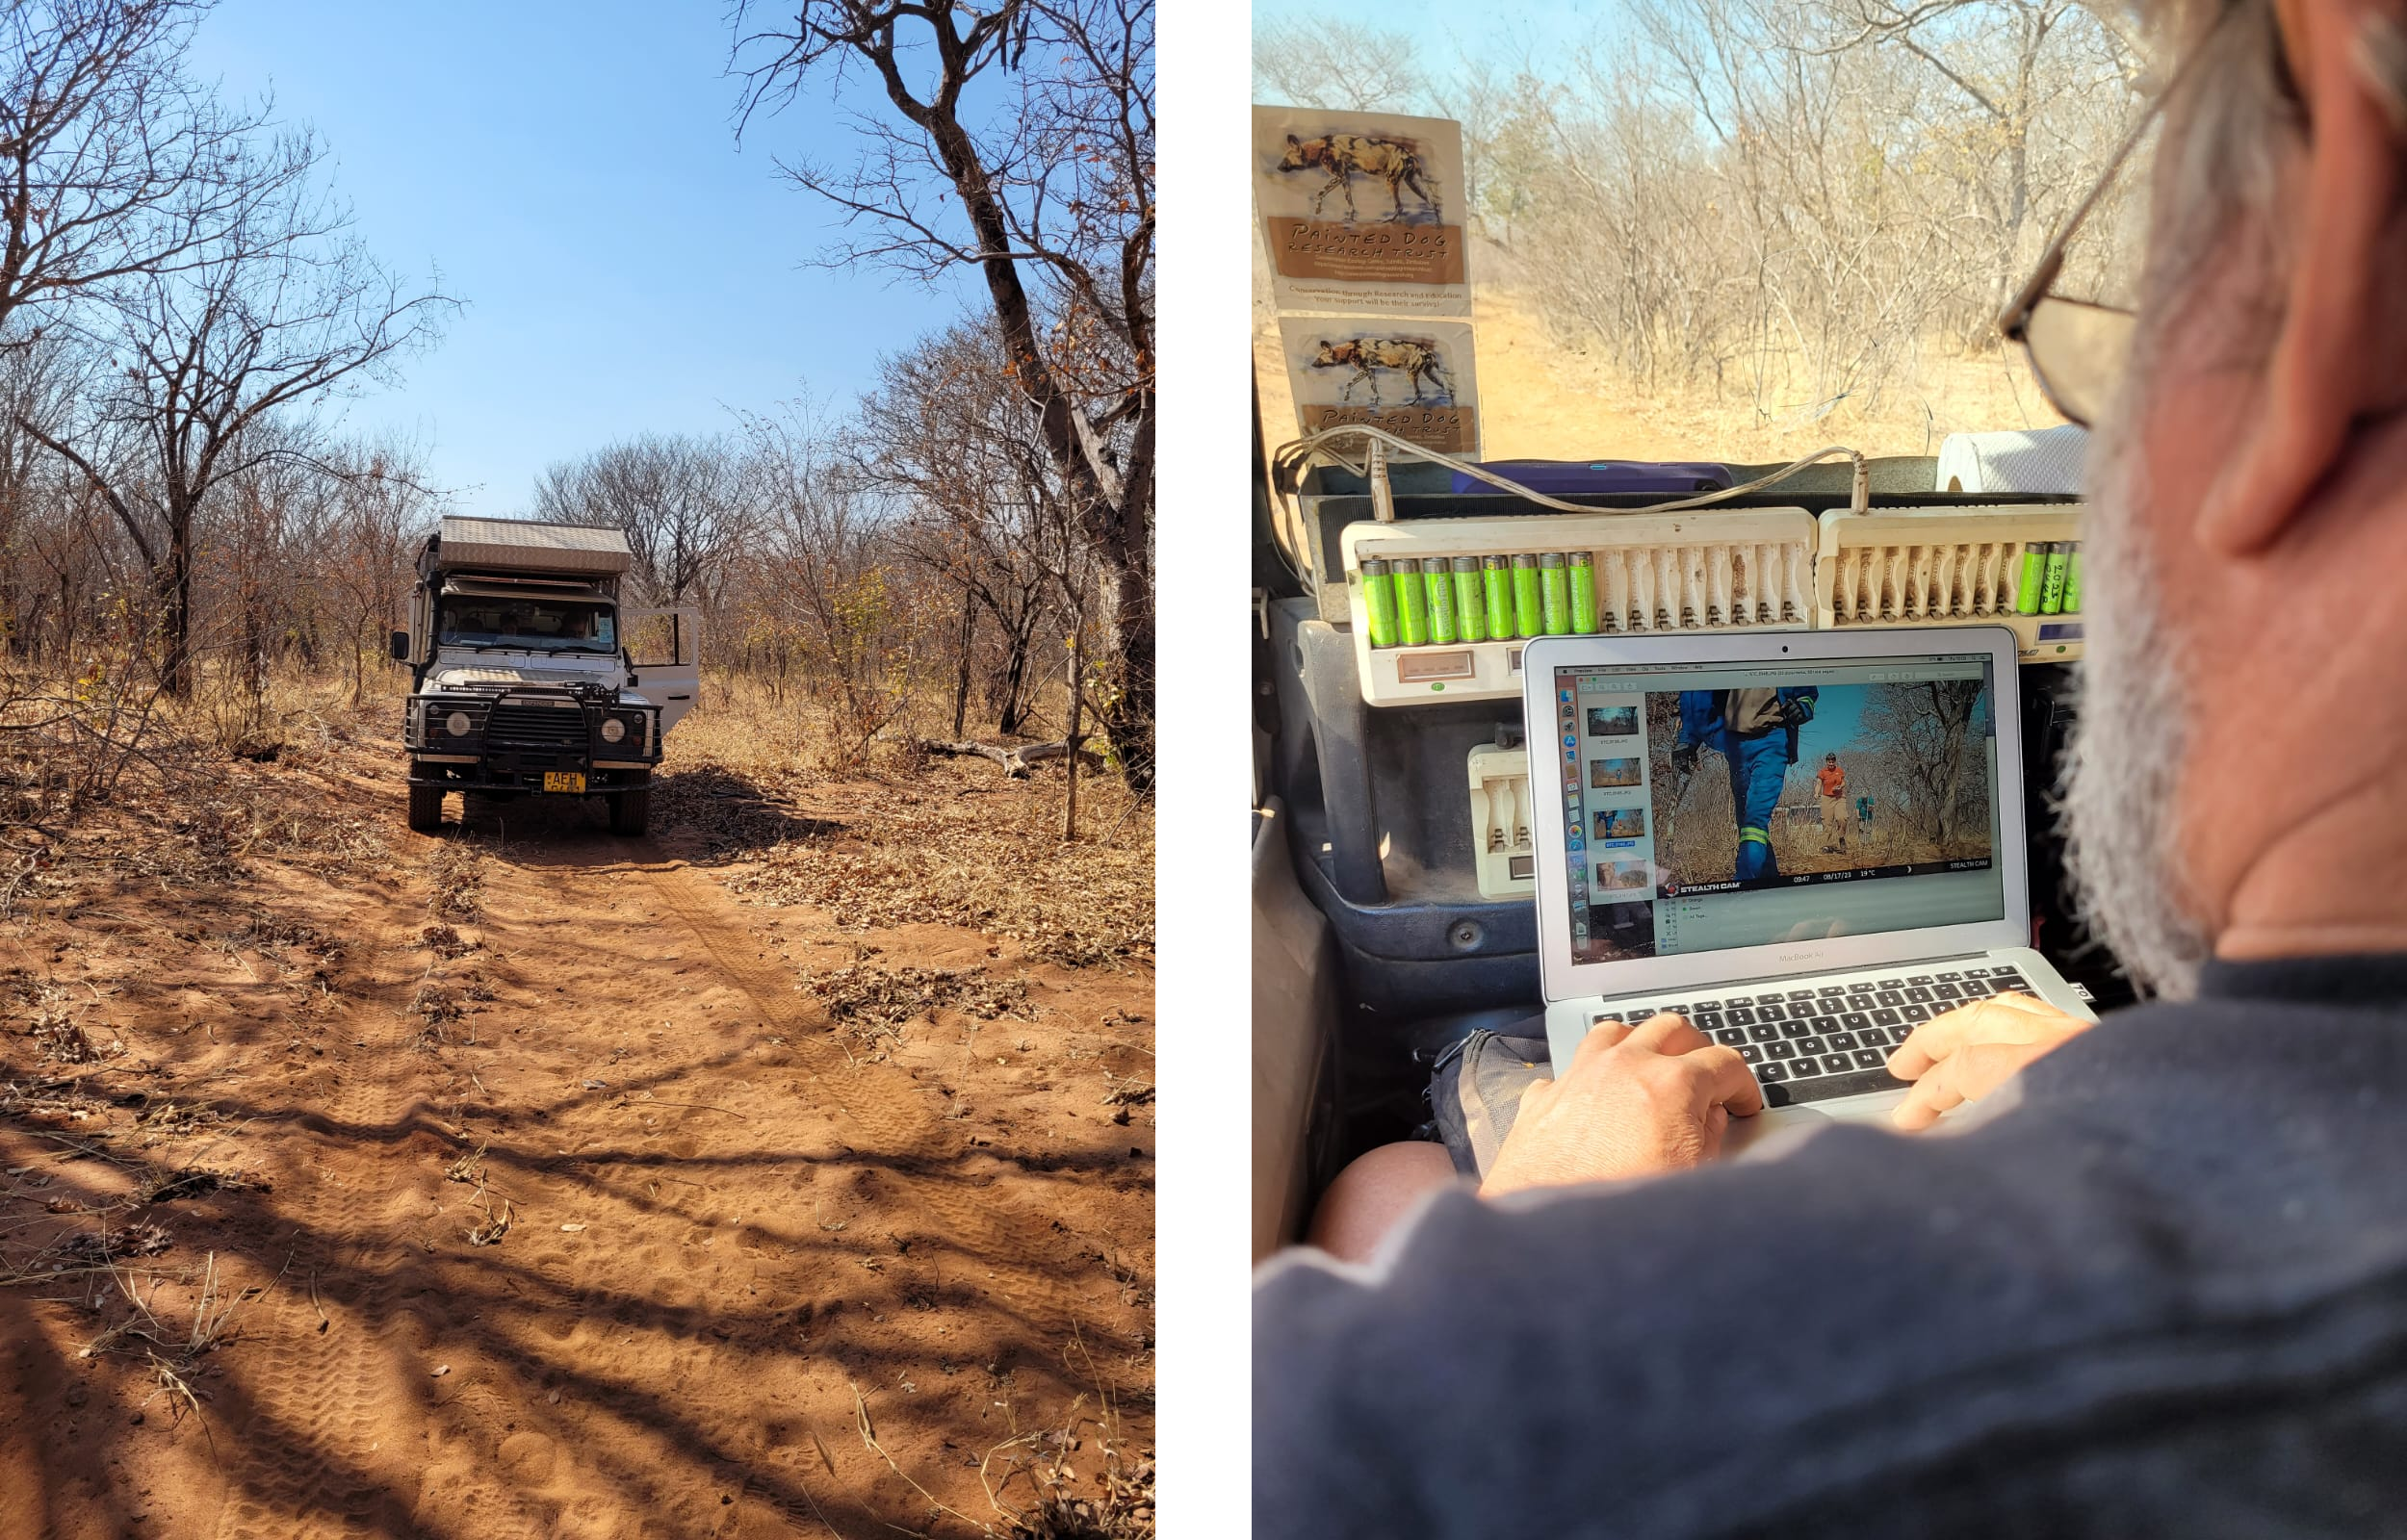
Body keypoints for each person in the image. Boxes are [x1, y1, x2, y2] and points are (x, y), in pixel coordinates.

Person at [1257, 0, 2407, 1529]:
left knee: (1418, 1160)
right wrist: (2107, 1074)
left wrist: (1560, 1227)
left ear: (2337, 232)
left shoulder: (1430, 1433)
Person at [1670, 686, 1817, 881]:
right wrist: (1687, 739)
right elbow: (1697, 691)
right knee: (1745, 819)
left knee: (1755, 819)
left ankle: (1744, 882)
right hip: (1735, 744)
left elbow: (1805, 687)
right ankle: (1770, 880)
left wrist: (1803, 706)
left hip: (1772, 739)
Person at [1815, 751, 1848, 852]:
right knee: (1827, 822)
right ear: (1827, 762)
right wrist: (1816, 793)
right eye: (1829, 761)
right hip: (1826, 798)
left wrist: (1840, 786)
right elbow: (1819, 783)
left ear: (1835, 761)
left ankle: (1841, 838)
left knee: (1842, 818)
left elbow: (1843, 782)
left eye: (1833, 761)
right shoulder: (1822, 772)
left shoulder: (1839, 771)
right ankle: (1825, 845)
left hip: (1839, 797)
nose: (1831, 763)